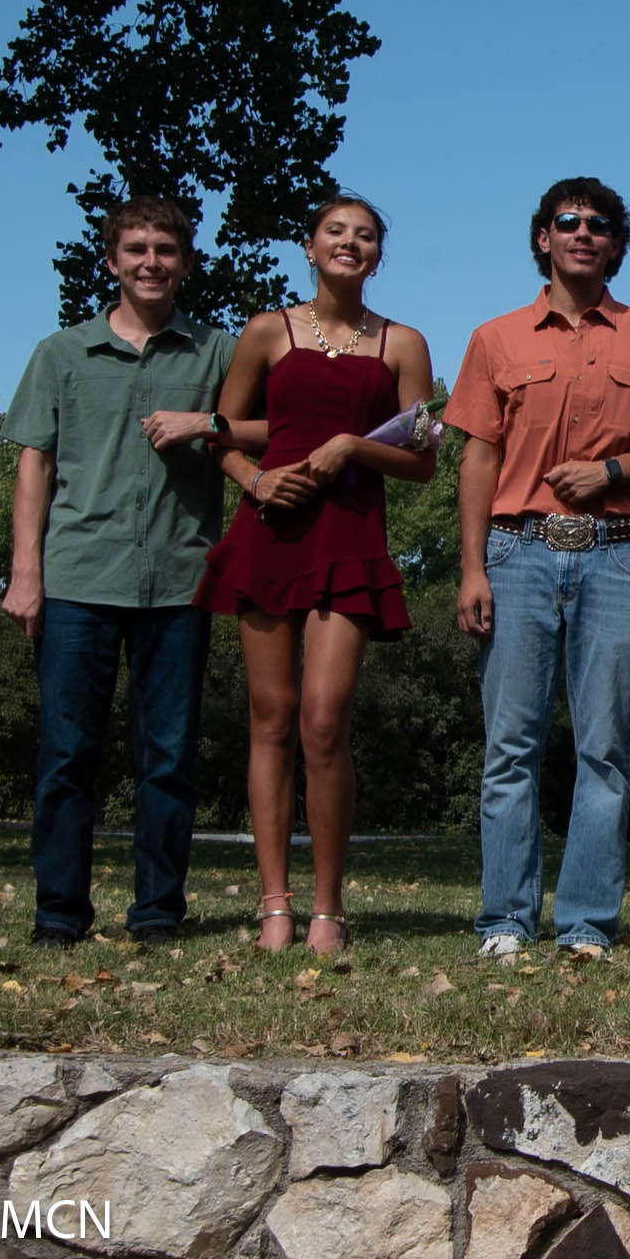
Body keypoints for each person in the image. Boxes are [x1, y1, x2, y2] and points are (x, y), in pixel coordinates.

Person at [447, 177, 630, 961]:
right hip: (515, 552)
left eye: (600, 224)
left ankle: (585, 923)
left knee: (604, 749)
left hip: (616, 553)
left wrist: (610, 471)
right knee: (509, 745)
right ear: (542, 237)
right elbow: (478, 457)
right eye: (568, 221)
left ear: (617, 245)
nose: (583, 233)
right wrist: (472, 568)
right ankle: (505, 919)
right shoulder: (495, 339)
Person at [196, 195, 436, 953]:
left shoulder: (404, 343)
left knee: (324, 721)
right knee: (270, 716)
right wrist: (255, 479)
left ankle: (328, 907)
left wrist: (352, 446)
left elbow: (425, 460)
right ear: (309, 245)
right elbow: (221, 435)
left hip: (350, 538)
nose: (350, 243)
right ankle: (275, 904)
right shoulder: (266, 331)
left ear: (378, 257)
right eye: (336, 231)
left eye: (365, 236)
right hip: (268, 532)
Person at [2, 195, 235, 948]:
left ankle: (158, 911)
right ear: (111, 262)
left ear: (186, 264)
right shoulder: (61, 354)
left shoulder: (217, 354)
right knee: (67, 755)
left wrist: (209, 422)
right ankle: (58, 913)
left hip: (180, 578)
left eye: (165, 251)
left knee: (167, 758)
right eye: (136, 249)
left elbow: (265, 431)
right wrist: (25, 573)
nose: (150, 263)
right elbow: (34, 464)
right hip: (78, 577)